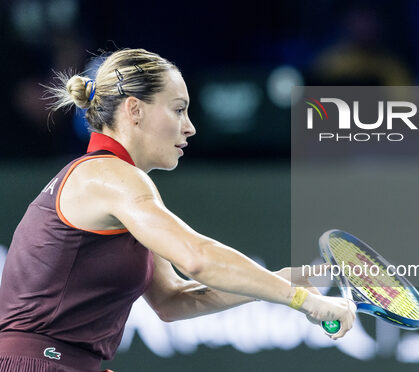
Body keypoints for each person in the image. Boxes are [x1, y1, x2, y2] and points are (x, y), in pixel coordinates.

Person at [0, 48, 355, 372]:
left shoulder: (120, 188)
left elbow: (173, 300)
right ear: (134, 110)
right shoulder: (108, 176)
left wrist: (286, 278)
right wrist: (302, 300)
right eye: (178, 109)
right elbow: (199, 258)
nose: (190, 127)